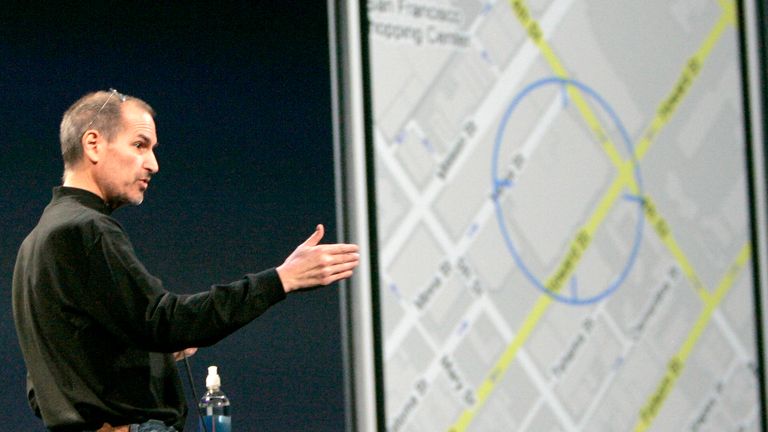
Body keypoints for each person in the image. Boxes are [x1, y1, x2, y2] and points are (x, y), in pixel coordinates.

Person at [11, 89, 360, 432]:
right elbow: (165, 321)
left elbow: (49, 382)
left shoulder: (38, 241)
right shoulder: (88, 230)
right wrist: (282, 279)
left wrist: (152, 355)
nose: (153, 164)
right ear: (93, 144)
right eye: (140, 145)